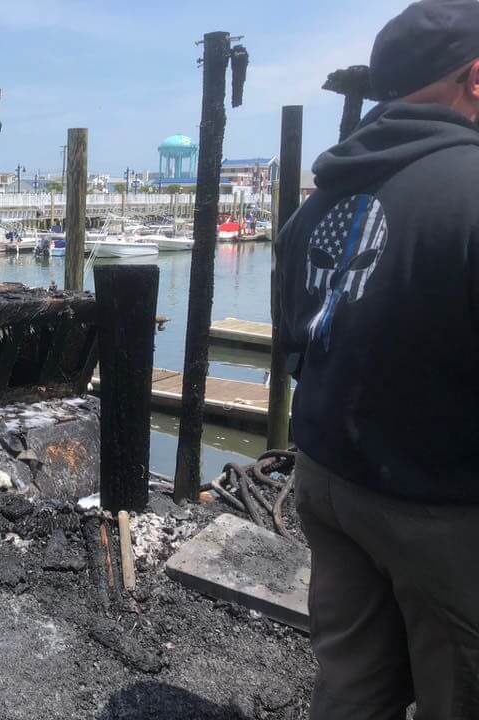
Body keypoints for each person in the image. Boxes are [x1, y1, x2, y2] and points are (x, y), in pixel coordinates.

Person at [277, 1, 479, 717]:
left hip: (328, 478)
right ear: (475, 79)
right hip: (439, 501)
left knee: (352, 682)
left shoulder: (317, 200)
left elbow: (295, 342)